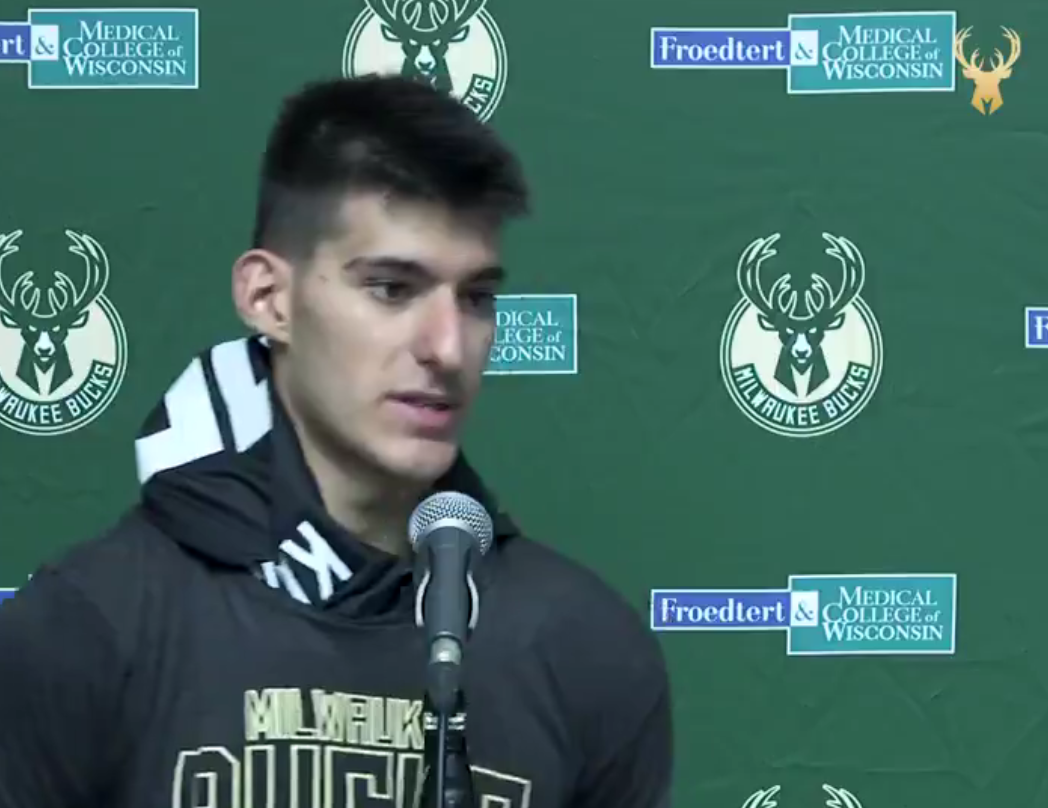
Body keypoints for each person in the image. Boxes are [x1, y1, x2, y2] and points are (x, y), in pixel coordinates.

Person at [0, 74, 673, 808]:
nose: (448, 347)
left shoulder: (586, 647)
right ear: (268, 298)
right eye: (391, 288)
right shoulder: (88, 626)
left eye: (477, 297)